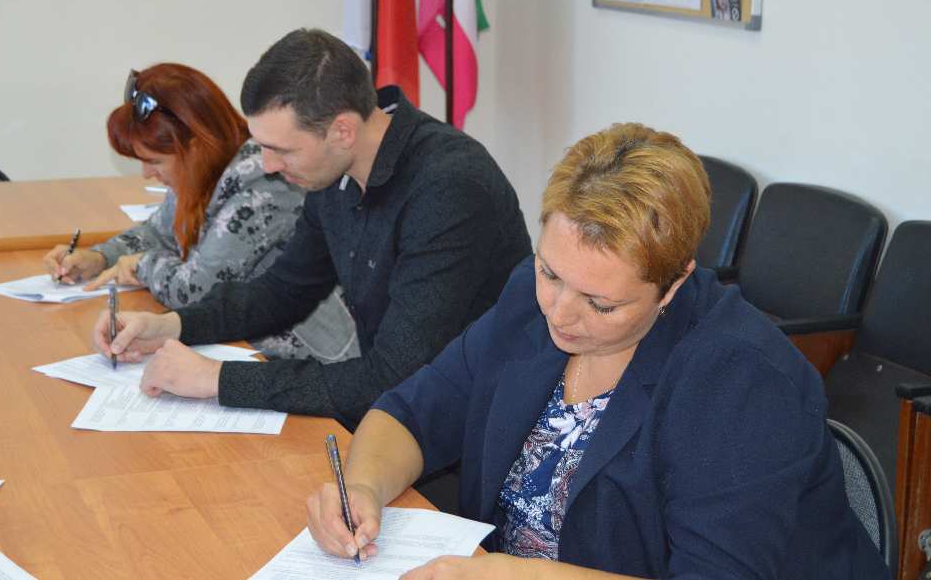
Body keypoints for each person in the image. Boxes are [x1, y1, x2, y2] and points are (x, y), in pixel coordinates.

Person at [305, 123, 890, 579]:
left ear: (675, 285)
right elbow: (415, 411)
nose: (559, 312)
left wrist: (526, 575)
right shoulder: (529, 297)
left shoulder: (743, 381)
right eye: (550, 273)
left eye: (601, 304)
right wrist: (363, 488)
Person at [93, 28, 531, 428]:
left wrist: (217, 378)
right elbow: (282, 292)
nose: (268, 166)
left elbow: (394, 376)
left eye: (281, 150)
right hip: (397, 420)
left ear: (342, 131)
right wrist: (170, 326)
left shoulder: (449, 189)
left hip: (468, 436)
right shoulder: (333, 172)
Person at [45, 63, 359, 362]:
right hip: (240, 340)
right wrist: (100, 257)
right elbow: (158, 233)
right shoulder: (204, 170)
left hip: (306, 359)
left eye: (154, 161)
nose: (145, 174)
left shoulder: (264, 181)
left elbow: (196, 289)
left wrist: (142, 265)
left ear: (196, 146)